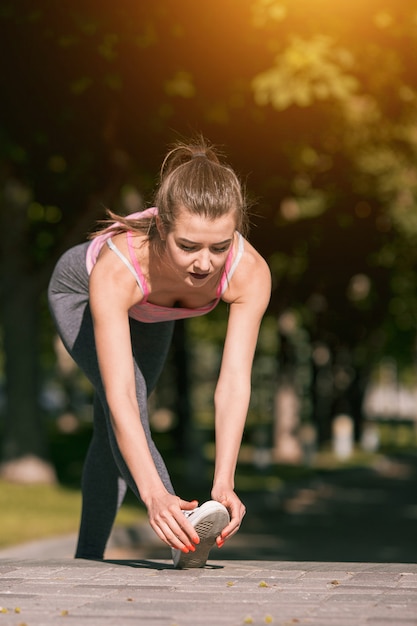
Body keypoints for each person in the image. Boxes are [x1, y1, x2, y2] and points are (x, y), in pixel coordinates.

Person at [48, 136, 271, 568]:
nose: (204, 264)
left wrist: (224, 481)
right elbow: (121, 397)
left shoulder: (250, 273)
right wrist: (152, 494)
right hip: (78, 292)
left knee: (107, 429)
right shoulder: (118, 269)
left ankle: (86, 557)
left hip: (151, 314)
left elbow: (233, 383)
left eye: (219, 247)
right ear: (162, 228)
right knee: (126, 397)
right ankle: (184, 537)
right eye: (188, 246)